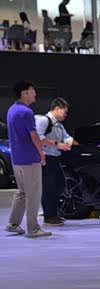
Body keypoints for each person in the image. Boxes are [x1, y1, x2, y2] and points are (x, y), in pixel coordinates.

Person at [5, 81, 50, 239]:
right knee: (33, 194)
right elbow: (34, 136)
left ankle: (13, 223)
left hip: (17, 158)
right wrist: (41, 153)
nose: (35, 93)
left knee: (22, 192)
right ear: (24, 93)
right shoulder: (27, 112)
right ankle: (33, 228)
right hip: (30, 158)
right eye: (32, 91)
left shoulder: (12, 110)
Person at [36, 98, 74, 226]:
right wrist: (57, 144)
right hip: (45, 158)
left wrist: (74, 143)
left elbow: (67, 137)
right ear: (57, 109)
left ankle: (53, 212)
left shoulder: (58, 125)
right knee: (48, 187)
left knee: (60, 184)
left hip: (54, 158)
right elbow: (37, 136)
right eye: (64, 111)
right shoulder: (44, 120)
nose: (65, 115)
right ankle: (49, 216)